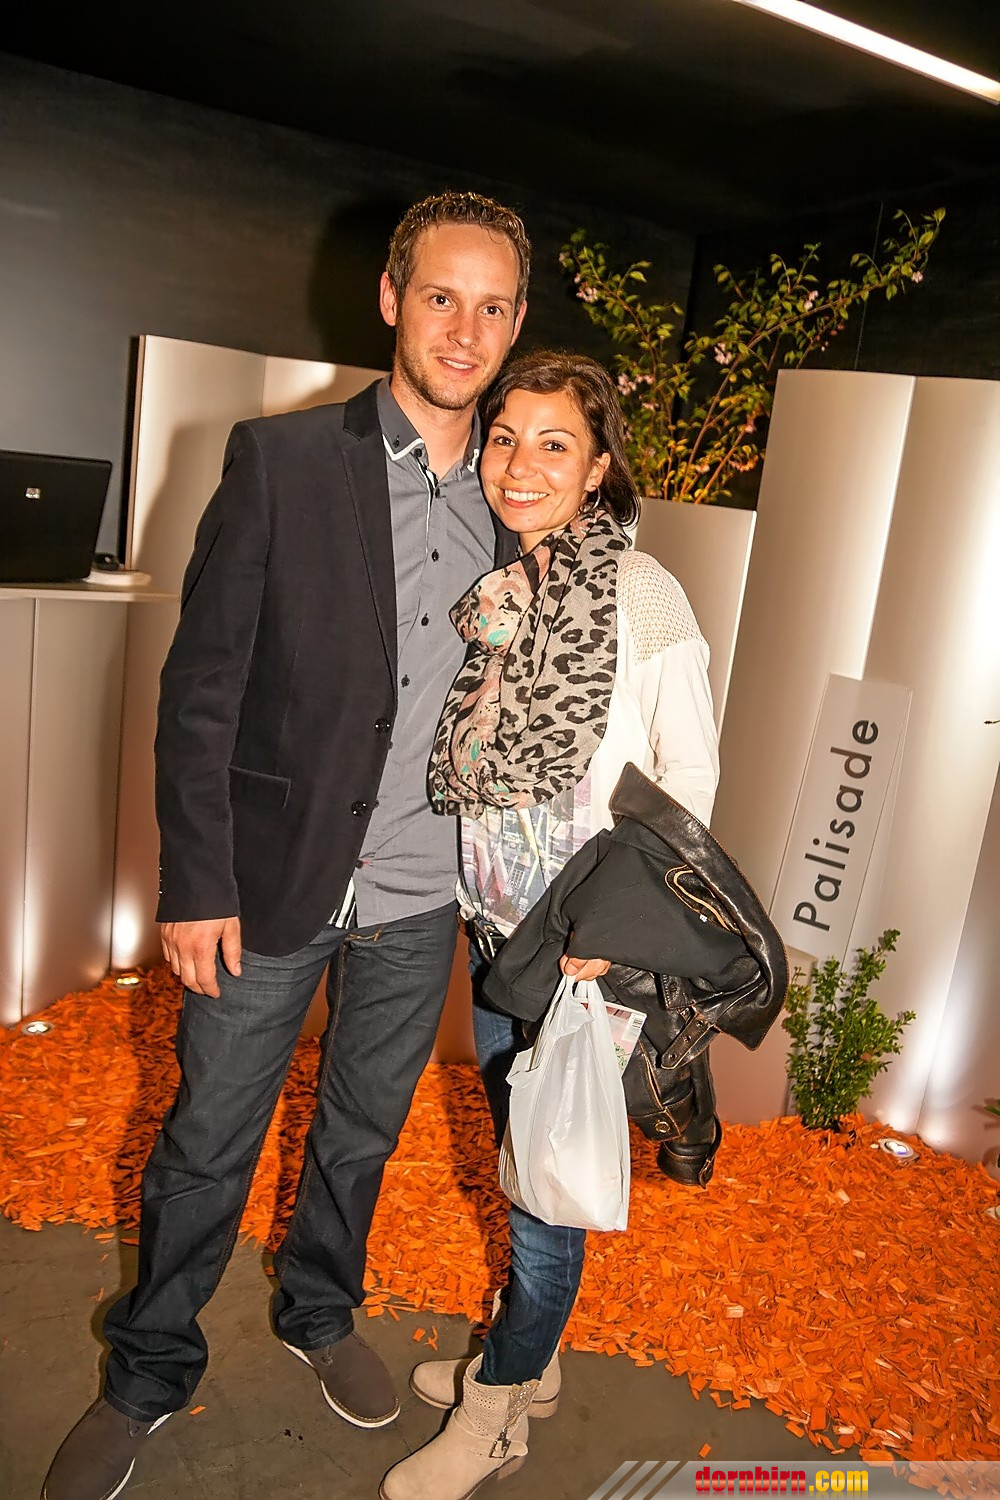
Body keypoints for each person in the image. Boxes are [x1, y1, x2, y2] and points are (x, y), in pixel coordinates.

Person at [41, 190, 530, 1500]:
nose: (463, 330)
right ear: (390, 299)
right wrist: (196, 882)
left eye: (492, 307)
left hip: (424, 894)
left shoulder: (521, 496)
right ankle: (148, 1369)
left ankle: (319, 1309)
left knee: (361, 1133)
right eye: (441, 297)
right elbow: (201, 690)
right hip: (263, 884)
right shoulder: (283, 459)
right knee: (209, 1137)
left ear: (516, 324)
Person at [379, 350, 720, 1500]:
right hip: (498, 934)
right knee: (526, 1166)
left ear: (600, 466)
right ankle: (532, 1360)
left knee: (541, 1200)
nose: (519, 464)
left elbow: (689, 777)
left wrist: (624, 929)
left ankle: (495, 1416)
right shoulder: (500, 591)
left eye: (554, 443)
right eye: (505, 438)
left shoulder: (641, 593)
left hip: (585, 952)